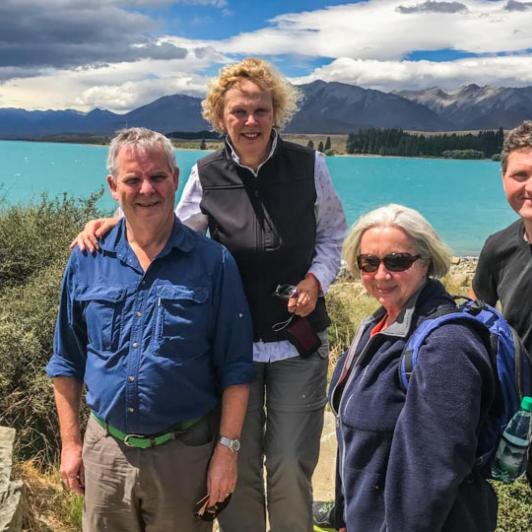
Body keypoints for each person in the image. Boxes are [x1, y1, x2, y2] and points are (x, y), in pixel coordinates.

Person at [74, 58, 346, 532]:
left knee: (287, 463)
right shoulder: (205, 173)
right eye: (238, 112)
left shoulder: (309, 165)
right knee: (236, 469)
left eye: (261, 110)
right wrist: (117, 222)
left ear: (275, 113)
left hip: (295, 341)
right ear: (220, 117)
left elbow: (332, 236)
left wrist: (315, 281)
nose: (250, 121)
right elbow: (167, 224)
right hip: (230, 348)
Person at [47, 127, 255, 531]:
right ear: (113, 186)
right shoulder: (87, 259)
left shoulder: (214, 263)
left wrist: (226, 452)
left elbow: (236, 368)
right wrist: (71, 444)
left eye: (158, 177)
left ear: (176, 180)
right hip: (105, 453)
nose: (147, 189)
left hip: (184, 457)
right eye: (132, 179)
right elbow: (65, 359)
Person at [330, 203, 497, 532]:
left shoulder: (447, 346)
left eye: (397, 261)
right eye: (369, 262)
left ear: (426, 263)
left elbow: (432, 472)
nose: (381, 275)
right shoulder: (376, 327)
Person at [472, 120, 532, 486]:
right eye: (520, 174)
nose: (530, 187)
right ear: (503, 179)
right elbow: (480, 317)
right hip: (521, 415)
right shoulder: (499, 246)